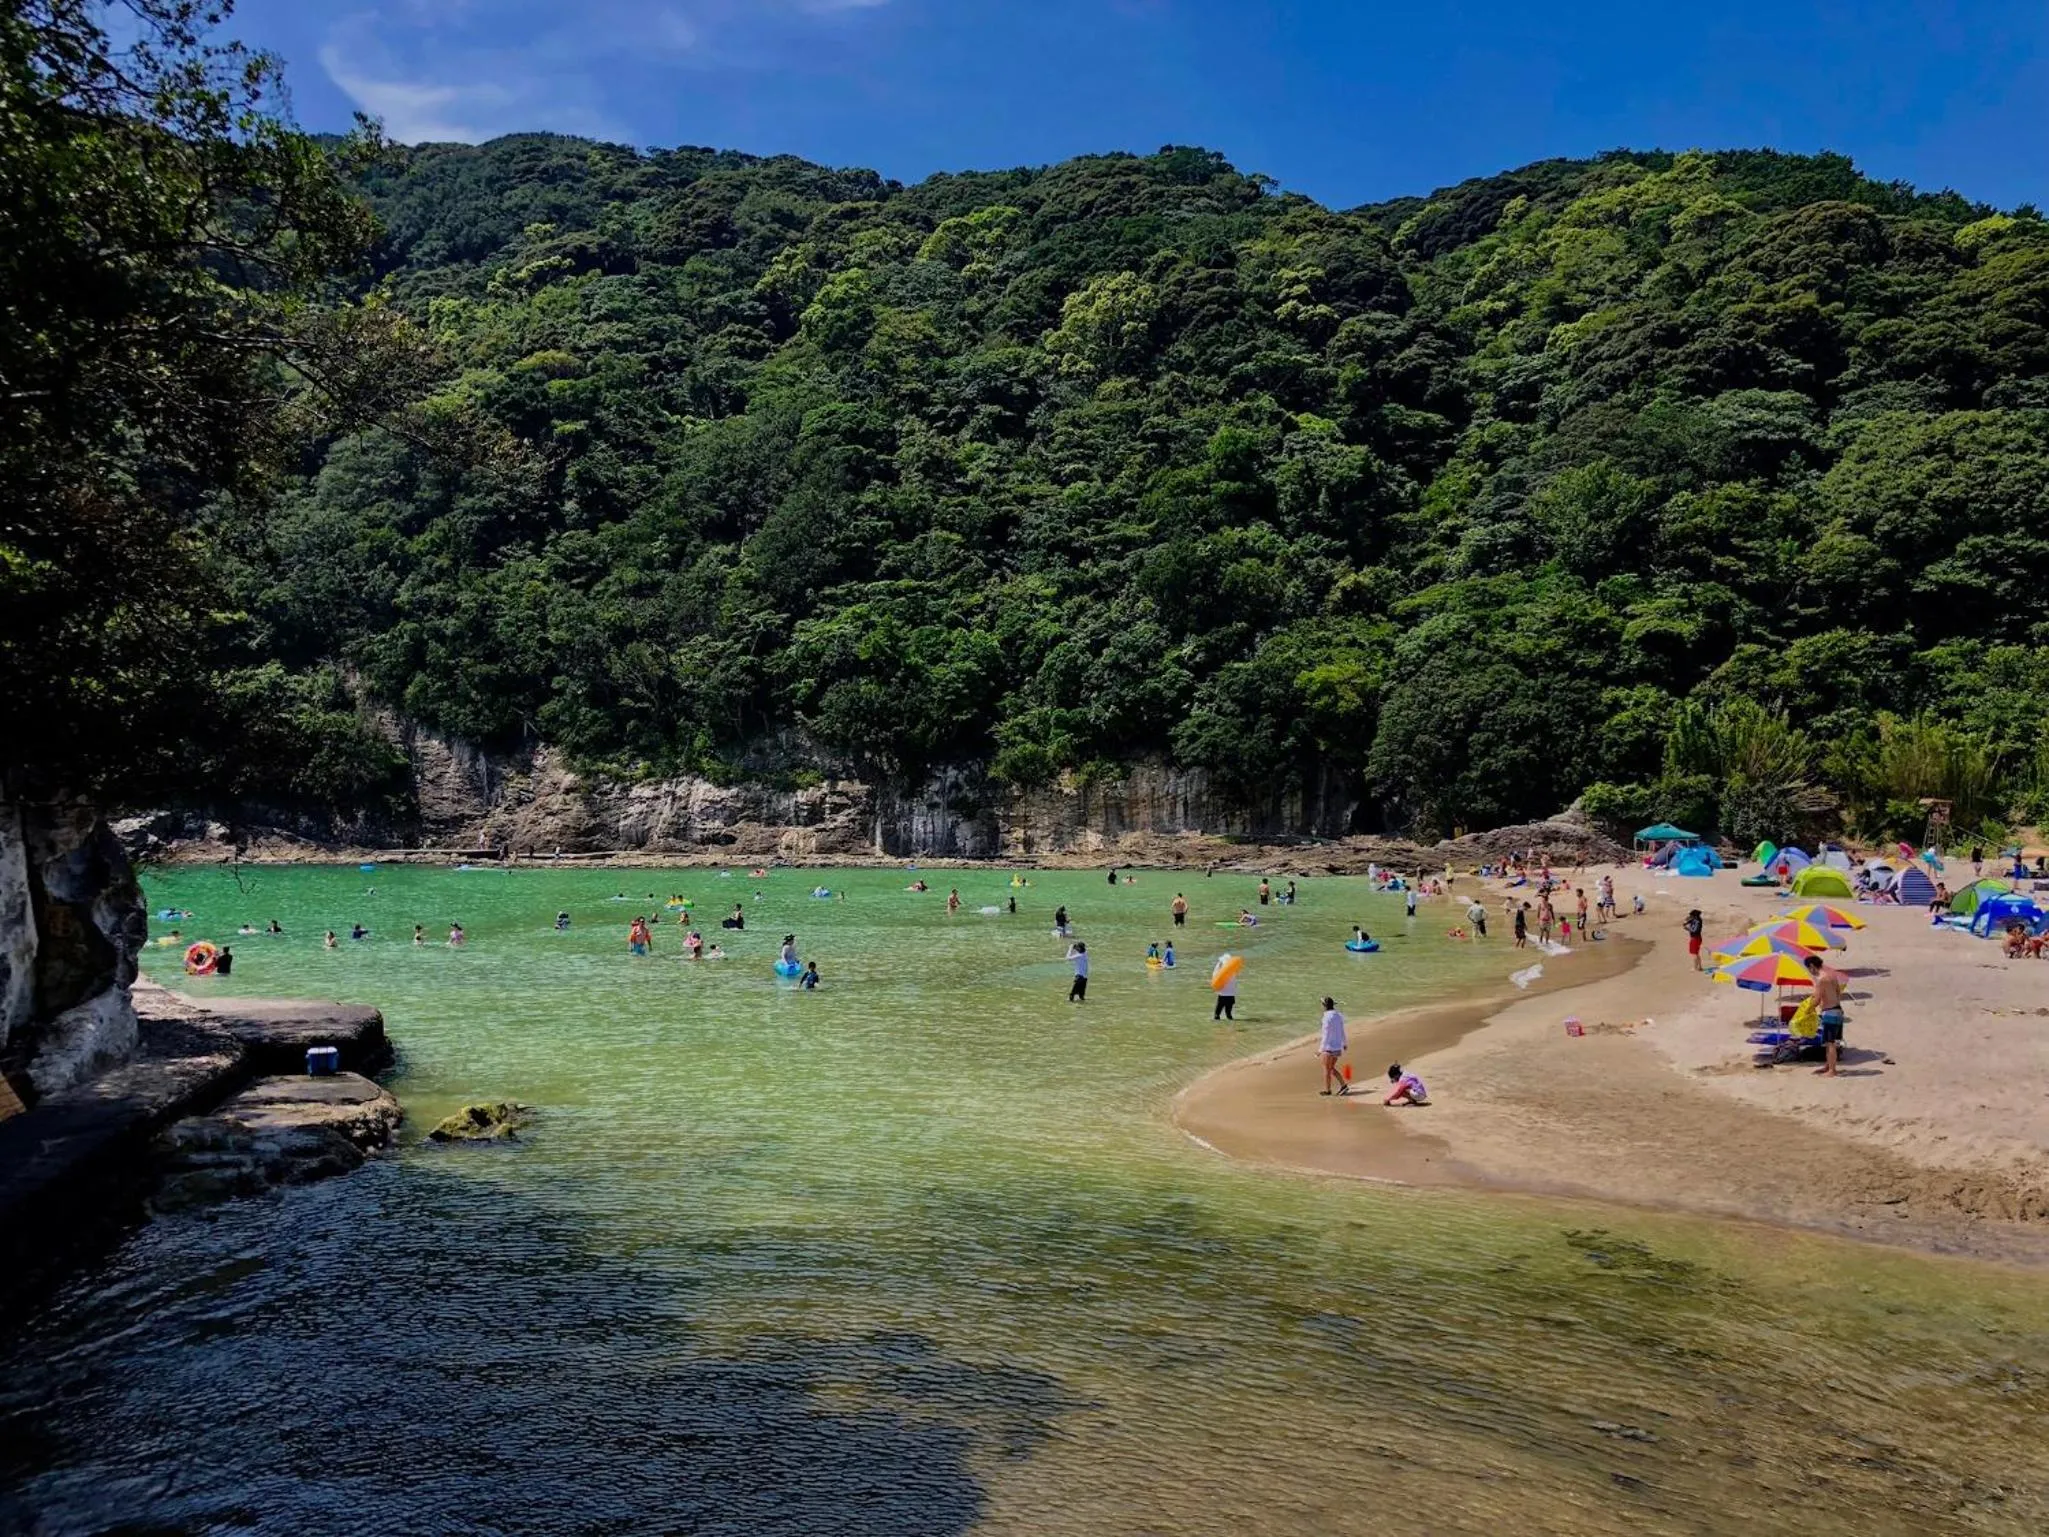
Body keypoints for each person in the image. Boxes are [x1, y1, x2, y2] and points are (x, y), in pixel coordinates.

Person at [1804, 953, 1847, 1076]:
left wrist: (1808, 1009)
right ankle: (1828, 1066)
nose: (1810, 972)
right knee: (1830, 1042)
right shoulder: (1832, 976)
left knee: (1830, 1042)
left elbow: (1817, 999)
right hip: (1838, 1010)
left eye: (1809, 969)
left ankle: (1832, 1070)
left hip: (1830, 1013)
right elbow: (1838, 992)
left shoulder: (1821, 980)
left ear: (1812, 966)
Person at [1317, 997, 1348, 1095]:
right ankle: (1343, 1085)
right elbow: (1342, 1030)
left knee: (1327, 1069)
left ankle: (1328, 1090)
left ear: (1324, 1006)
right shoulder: (1338, 1015)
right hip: (1337, 1047)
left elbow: (1325, 1034)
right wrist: (1344, 1043)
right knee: (1331, 1069)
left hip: (1329, 1047)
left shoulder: (1326, 1018)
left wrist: (1320, 1050)